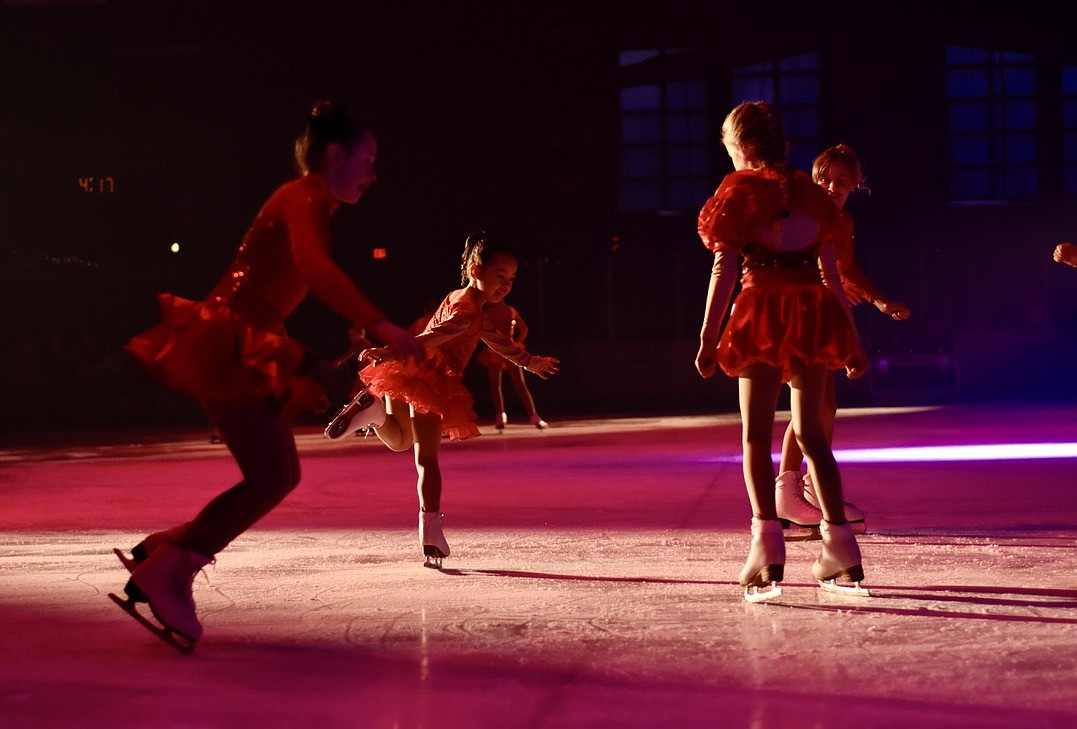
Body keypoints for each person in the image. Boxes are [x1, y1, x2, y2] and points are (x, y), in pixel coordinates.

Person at [112, 100, 424, 651]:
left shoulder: (313, 203)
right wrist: (377, 321)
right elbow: (314, 269)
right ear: (335, 155)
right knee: (274, 475)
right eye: (368, 159)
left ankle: (166, 552)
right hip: (231, 340)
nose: (374, 174)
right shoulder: (302, 195)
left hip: (248, 341)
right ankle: (170, 565)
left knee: (273, 473)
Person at [694, 101, 870, 601]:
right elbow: (831, 276)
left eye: (729, 149)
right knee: (814, 436)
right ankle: (841, 546)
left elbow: (724, 269)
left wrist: (708, 339)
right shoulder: (811, 197)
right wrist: (852, 339)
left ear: (742, 148)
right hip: (812, 316)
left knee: (755, 438)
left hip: (761, 312)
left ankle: (767, 547)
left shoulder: (739, 191)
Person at [324, 231, 560, 567]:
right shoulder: (467, 313)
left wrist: (529, 361)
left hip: (409, 371)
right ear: (476, 270)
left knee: (400, 440)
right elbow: (432, 337)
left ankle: (374, 414)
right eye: (499, 276)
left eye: (511, 278)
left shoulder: (462, 300)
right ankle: (430, 531)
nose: (506, 285)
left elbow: (493, 338)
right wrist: (390, 353)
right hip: (431, 379)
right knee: (427, 459)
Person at [775, 144, 911, 538]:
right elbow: (814, 270)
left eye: (841, 181)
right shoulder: (805, 214)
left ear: (855, 184)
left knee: (823, 404)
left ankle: (810, 489)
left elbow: (844, 270)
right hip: (798, 311)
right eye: (825, 179)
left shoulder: (842, 221)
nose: (832, 186)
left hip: (821, 312)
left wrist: (880, 301)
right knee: (814, 403)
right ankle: (792, 490)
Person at [474, 298, 549, 430]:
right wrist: (515, 343)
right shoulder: (508, 310)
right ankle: (533, 417)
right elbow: (524, 329)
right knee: (517, 384)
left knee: (497, 385)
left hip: (496, 349)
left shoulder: (490, 313)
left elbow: (523, 328)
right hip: (503, 348)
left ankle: (501, 416)